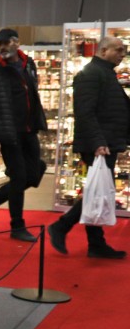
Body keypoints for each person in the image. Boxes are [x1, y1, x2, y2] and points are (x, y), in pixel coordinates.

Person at [49, 36, 129, 259]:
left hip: (106, 142)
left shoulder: (104, 73)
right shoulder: (91, 74)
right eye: (119, 50)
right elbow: (85, 112)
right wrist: (98, 142)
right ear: (104, 50)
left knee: (99, 191)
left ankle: (95, 244)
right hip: (99, 144)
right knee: (99, 192)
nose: (123, 54)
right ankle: (62, 226)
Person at [0, 28, 47, 242]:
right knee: (19, 177)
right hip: (8, 133)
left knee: (34, 174)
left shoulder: (28, 64)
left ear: (17, 42)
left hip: (29, 129)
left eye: (6, 43)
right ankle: (17, 226)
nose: (2, 47)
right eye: (0, 44)